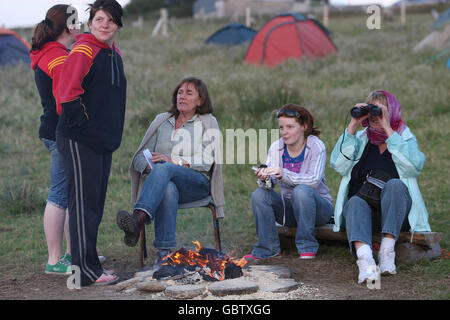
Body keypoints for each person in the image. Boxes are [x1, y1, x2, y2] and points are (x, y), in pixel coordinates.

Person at [116, 77, 224, 267]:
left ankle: (138, 219)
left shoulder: (207, 123)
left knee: (165, 168)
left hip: (197, 183)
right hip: (163, 185)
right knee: (167, 187)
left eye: (189, 93)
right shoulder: (162, 120)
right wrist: (150, 168)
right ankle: (164, 255)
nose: (182, 97)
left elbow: (207, 161)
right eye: (180, 92)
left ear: (200, 101)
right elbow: (140, 155)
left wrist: (174, 162)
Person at [56, 0, 126, 286]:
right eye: (99, 19)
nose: (105, 24)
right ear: (91, 22)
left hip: (101, 140)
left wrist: (108, 134)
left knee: (93, 204)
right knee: (83, 204)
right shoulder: (83, 50)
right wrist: (89, 127)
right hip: (79, 138)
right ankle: (82, 273)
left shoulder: (114, 53)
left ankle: (91, 266)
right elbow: (68, 95)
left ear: (118, 25)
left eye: (110, 20)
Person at [330, 90, 431, 284]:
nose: (375, 116)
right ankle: (366, 261)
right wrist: (353, 125)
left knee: (394, 185)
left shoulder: (404, 137)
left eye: (380, 110)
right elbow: (338, 164)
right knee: (355, 202)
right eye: (372, 110)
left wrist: (387, 129)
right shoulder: (360, 138)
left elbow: (413, 167)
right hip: (364, 212)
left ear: (392, 112)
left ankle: (387, 252)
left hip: (396, 213)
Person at [245, 104, 333, 261]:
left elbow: (313, 180)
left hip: (319, 211)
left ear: (304, 127)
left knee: (301, 191)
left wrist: (284, 174)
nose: (284, 132)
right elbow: (271, 184)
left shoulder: (316, 146)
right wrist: (265, 178)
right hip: (290, 209)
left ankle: (307, 247)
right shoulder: (276, 147)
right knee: (259, 195)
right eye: (281, 127)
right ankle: (268, 248)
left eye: (290, 127)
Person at [30, 4, 80, 275]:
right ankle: (54, 259)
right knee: (59, 195)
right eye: (78, 22)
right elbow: (65, 101)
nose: (81, 26)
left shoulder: (50, 52)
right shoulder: (57, 57)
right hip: (60, 132)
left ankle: (74, 254)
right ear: (68, 26)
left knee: (69, 195)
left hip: (55, 129)